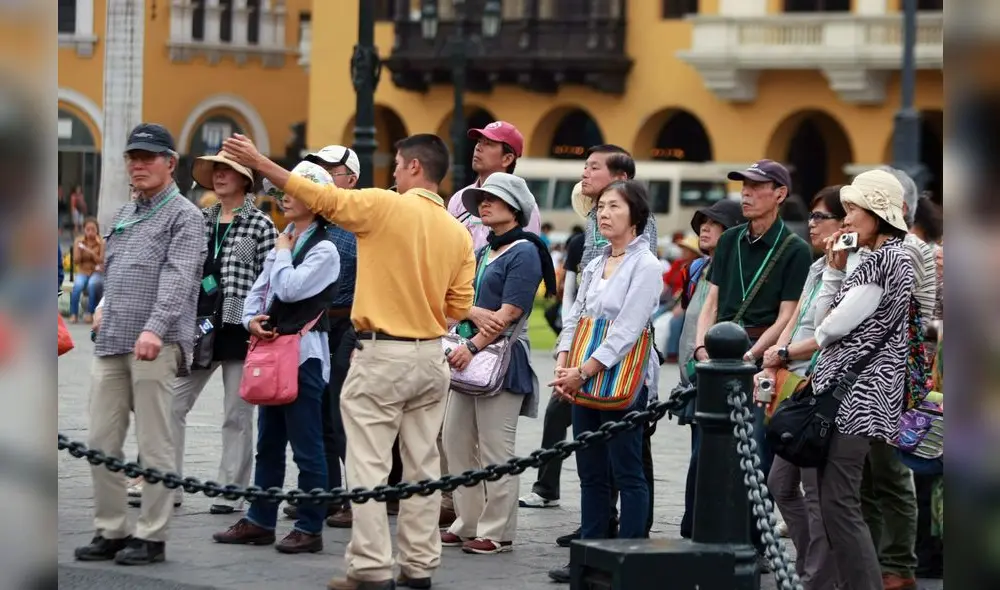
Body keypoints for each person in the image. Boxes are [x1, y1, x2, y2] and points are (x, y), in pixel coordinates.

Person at [221, 132, 476, 590]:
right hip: (430, 356)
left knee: (368, 465)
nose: (394, 172)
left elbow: (320, 196)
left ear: (415, 167)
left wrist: (262, 161)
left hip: (382, 352)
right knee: (421, 468)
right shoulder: (458, 232)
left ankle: (372, 567)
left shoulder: (384, 206)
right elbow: (458, 307)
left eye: (398, 164)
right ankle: (418, 567)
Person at [73, 123, 205, 566]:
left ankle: (152, 535)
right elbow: (118, 271)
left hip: (157, 341)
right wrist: (105, 303)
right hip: (112, 340)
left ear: (171, 163)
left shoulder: (185, 216)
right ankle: (110, 529)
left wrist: (155, 327)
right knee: (98, 440)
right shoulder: (120, 214)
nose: (139, 164)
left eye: (148, 157)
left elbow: (179, 278)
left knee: (155, 443)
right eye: (133, 157)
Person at [212, 160, 341, 554]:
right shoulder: (288, 238)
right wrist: (250, 320)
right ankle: (260, 519)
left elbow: (288, 288)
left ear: (315, 200)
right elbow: (259, 291)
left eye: (295, 190)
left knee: (307, 445)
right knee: (268, 442)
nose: (285, 195)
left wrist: (282, 254)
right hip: (275, 352)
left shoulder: (326, 249)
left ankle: (309, 526)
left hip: (305, 357)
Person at [694, 159, 812, 568]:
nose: (745, 192)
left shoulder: (795, 249)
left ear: (779, 194)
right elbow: (712, 298)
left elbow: (788, 315)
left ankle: (753, 543)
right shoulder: (729, 242)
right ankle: (704, 533)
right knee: (705, 447)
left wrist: (752, 354)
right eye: (743, 185)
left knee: (753, 453)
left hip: (759, 357)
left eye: (756, 186)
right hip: (716, 350)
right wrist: (700, 347)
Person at [546, 180, 662, 584]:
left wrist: (583, 371)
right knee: (591, 471)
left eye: (614, 206)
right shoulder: (596, 263)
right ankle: (590, 553)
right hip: (581, 378)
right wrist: (564, 365)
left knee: (627, 470)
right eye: (601, 208)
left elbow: (628, 329)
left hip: (620, 378)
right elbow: (575, 317)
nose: (604, 213)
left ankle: (627, 555)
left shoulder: (646, 265)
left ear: (636, 217)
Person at [810, 169, 915, 590]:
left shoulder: (884, 259)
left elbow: (827, 329)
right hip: (860, 396)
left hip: (857, 398)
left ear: (878, 214)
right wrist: (836, 272)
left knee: (840, 503)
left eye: (854, 209)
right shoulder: (882, 257)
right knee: (841, 501)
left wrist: (836, 277)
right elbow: (825, 324)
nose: (847, 218)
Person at [440, 173, 555, 555]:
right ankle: (467, 520)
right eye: (481, 200)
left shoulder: (524, 251)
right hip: (469, 355)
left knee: (495, 448)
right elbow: (461, 302)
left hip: (499, 359)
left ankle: (498, 531)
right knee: (456, 442)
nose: (483, 205)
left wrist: (471, 346)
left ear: (515, 208)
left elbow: (509, 313)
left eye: (492, 199)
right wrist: (468, 329)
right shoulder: (485, 250)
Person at [165, 150, 276, 515]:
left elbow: (269, 281)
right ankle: (168, 482)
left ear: (245, 179)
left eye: (228, 169)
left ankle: (231, 489)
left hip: (239, 327)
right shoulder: (199, 219)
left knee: (236, 415)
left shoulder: (261, 225)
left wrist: (262, 321)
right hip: (197, 324)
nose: (219, 175)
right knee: (172, 404)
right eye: (216, 169)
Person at [756, 186, 846, 590]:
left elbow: (829, 331)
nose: (811, 224)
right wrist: (777, 353)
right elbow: (798, 319)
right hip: (794, 382)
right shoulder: (816, 267)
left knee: (813, 491)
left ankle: (818, 576)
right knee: (780, 484)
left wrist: (787, 350)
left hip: (823, 388)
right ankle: (811, 562)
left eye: (820, 217)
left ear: (845, 224)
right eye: (810, 216)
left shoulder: (850, 268)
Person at [281, 145, 360, 528]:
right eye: (317, 169)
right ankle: (325, 492)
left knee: (343, 416)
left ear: (351, 179)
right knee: (316, 414)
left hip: (348, 325)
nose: (322, 176)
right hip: (312, 325)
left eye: (331, 169)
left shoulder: (358, 219)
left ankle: (356, 497)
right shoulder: (302, 223)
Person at [674, 198, 744, 539]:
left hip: (721, 377)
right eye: (702, 221)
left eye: (714, 223)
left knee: (715, 458)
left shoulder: (736, 270)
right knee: (697, 457)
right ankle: (694, 526)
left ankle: (714, 530)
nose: (704, 227)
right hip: (693, 377)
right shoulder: (696, 269)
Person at [448, 121, 542, 251]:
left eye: (488, 144)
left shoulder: (523, 204)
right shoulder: (459, 199)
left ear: (507, 159)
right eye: (479, 141)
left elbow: (529, 254)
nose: (478, 147)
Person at [69, 217, 105, 324]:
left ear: (97, 230)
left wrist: (90, 252)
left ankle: (90, 313)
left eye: (93, 229)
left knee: (92, 284)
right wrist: (80, 251)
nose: (90, 232)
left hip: (96, 272)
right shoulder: (79, 241)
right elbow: (76, 261)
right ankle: (73, 313)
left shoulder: (101, 242)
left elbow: (101, 261)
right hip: (83, 271)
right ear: (84, 230)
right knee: (78, 285)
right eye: (88, 229)